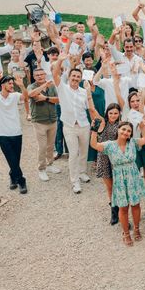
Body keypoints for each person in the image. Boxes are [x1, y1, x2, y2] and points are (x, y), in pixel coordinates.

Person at [90, 120, 145, 246]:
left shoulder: (133, 142)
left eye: (129, 131)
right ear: (118, 129)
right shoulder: (110, 145)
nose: (126, 132)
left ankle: (137, 229)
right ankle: (126, 233)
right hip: (119, 179)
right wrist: (94, 131)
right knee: (123, 207)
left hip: (133, 178)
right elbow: (94, 145)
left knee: (135, 205)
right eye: (123, 129)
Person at [52, 55, 91, 194]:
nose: (75, 79)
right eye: (73, 76)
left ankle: (82, 172)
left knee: (83, 151)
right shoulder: (63, 88)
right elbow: (55, 74)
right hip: (69, 126)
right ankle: (75, 181)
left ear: (80, 79)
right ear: (69, 77)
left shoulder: (83, 92)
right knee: (73, 153)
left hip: (84, 125)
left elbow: (88, 107)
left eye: (78, 77)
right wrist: (60, 60)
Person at [0, 73, 28, 193]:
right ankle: (21, 181)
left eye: (12, 83)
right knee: (11, 158)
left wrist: (22, 86)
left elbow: (25, 97)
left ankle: (12, 176)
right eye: (10, 83)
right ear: (3, 85)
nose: (12, 85)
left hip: (16, 131)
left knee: (15, 159)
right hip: (2, 133)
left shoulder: (14, 96)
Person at [89, 103, 122, 225]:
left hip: (116, 158)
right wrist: (88, 92)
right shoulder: (103, 123)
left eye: (115, 113)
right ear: (107, 113)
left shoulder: (121, 126)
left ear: (119, 114)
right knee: (110, 187)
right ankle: (114, 212)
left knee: (118, 186)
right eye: (111, 113)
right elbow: (92, 109)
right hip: (104, 158)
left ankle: (121, 211)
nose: (113, 115)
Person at [27, 68, 61, 182]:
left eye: (42, 74)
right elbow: (31, 94)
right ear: (34, 76)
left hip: (52, 120)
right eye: (37, 75)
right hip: (39, 121)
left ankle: (50, 164)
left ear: (45, 74)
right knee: (42, 147)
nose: (40, 76)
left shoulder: (52, 86)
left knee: (50, 145)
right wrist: (43, 86)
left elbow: (58, 100)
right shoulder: (32, 86)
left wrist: (45, 98)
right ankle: (41, 169)